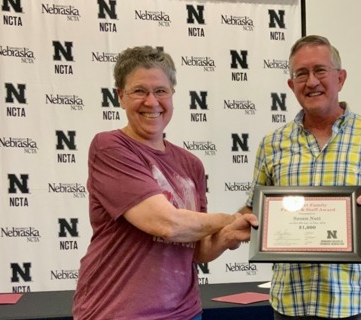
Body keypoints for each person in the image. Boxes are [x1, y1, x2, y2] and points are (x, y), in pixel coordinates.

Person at [72, 46, 258, 320]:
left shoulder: (191, 164)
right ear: (120, 97)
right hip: (117, 312)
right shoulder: (110, 147)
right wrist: (228, 218)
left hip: (185, 312)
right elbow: (166, 224)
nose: (151, 102)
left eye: (161, 91)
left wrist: (230, 235)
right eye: (139, 91)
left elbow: (196, 250)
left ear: (172, 95)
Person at [240, 35, 361, 319]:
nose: (311, 82)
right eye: (301, 74)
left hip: (357, 304)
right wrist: (242, 220)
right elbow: (254, 210)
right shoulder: (271, 144)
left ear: (340, 78)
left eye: (320, 70)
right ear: (291, 85)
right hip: (290, 304)